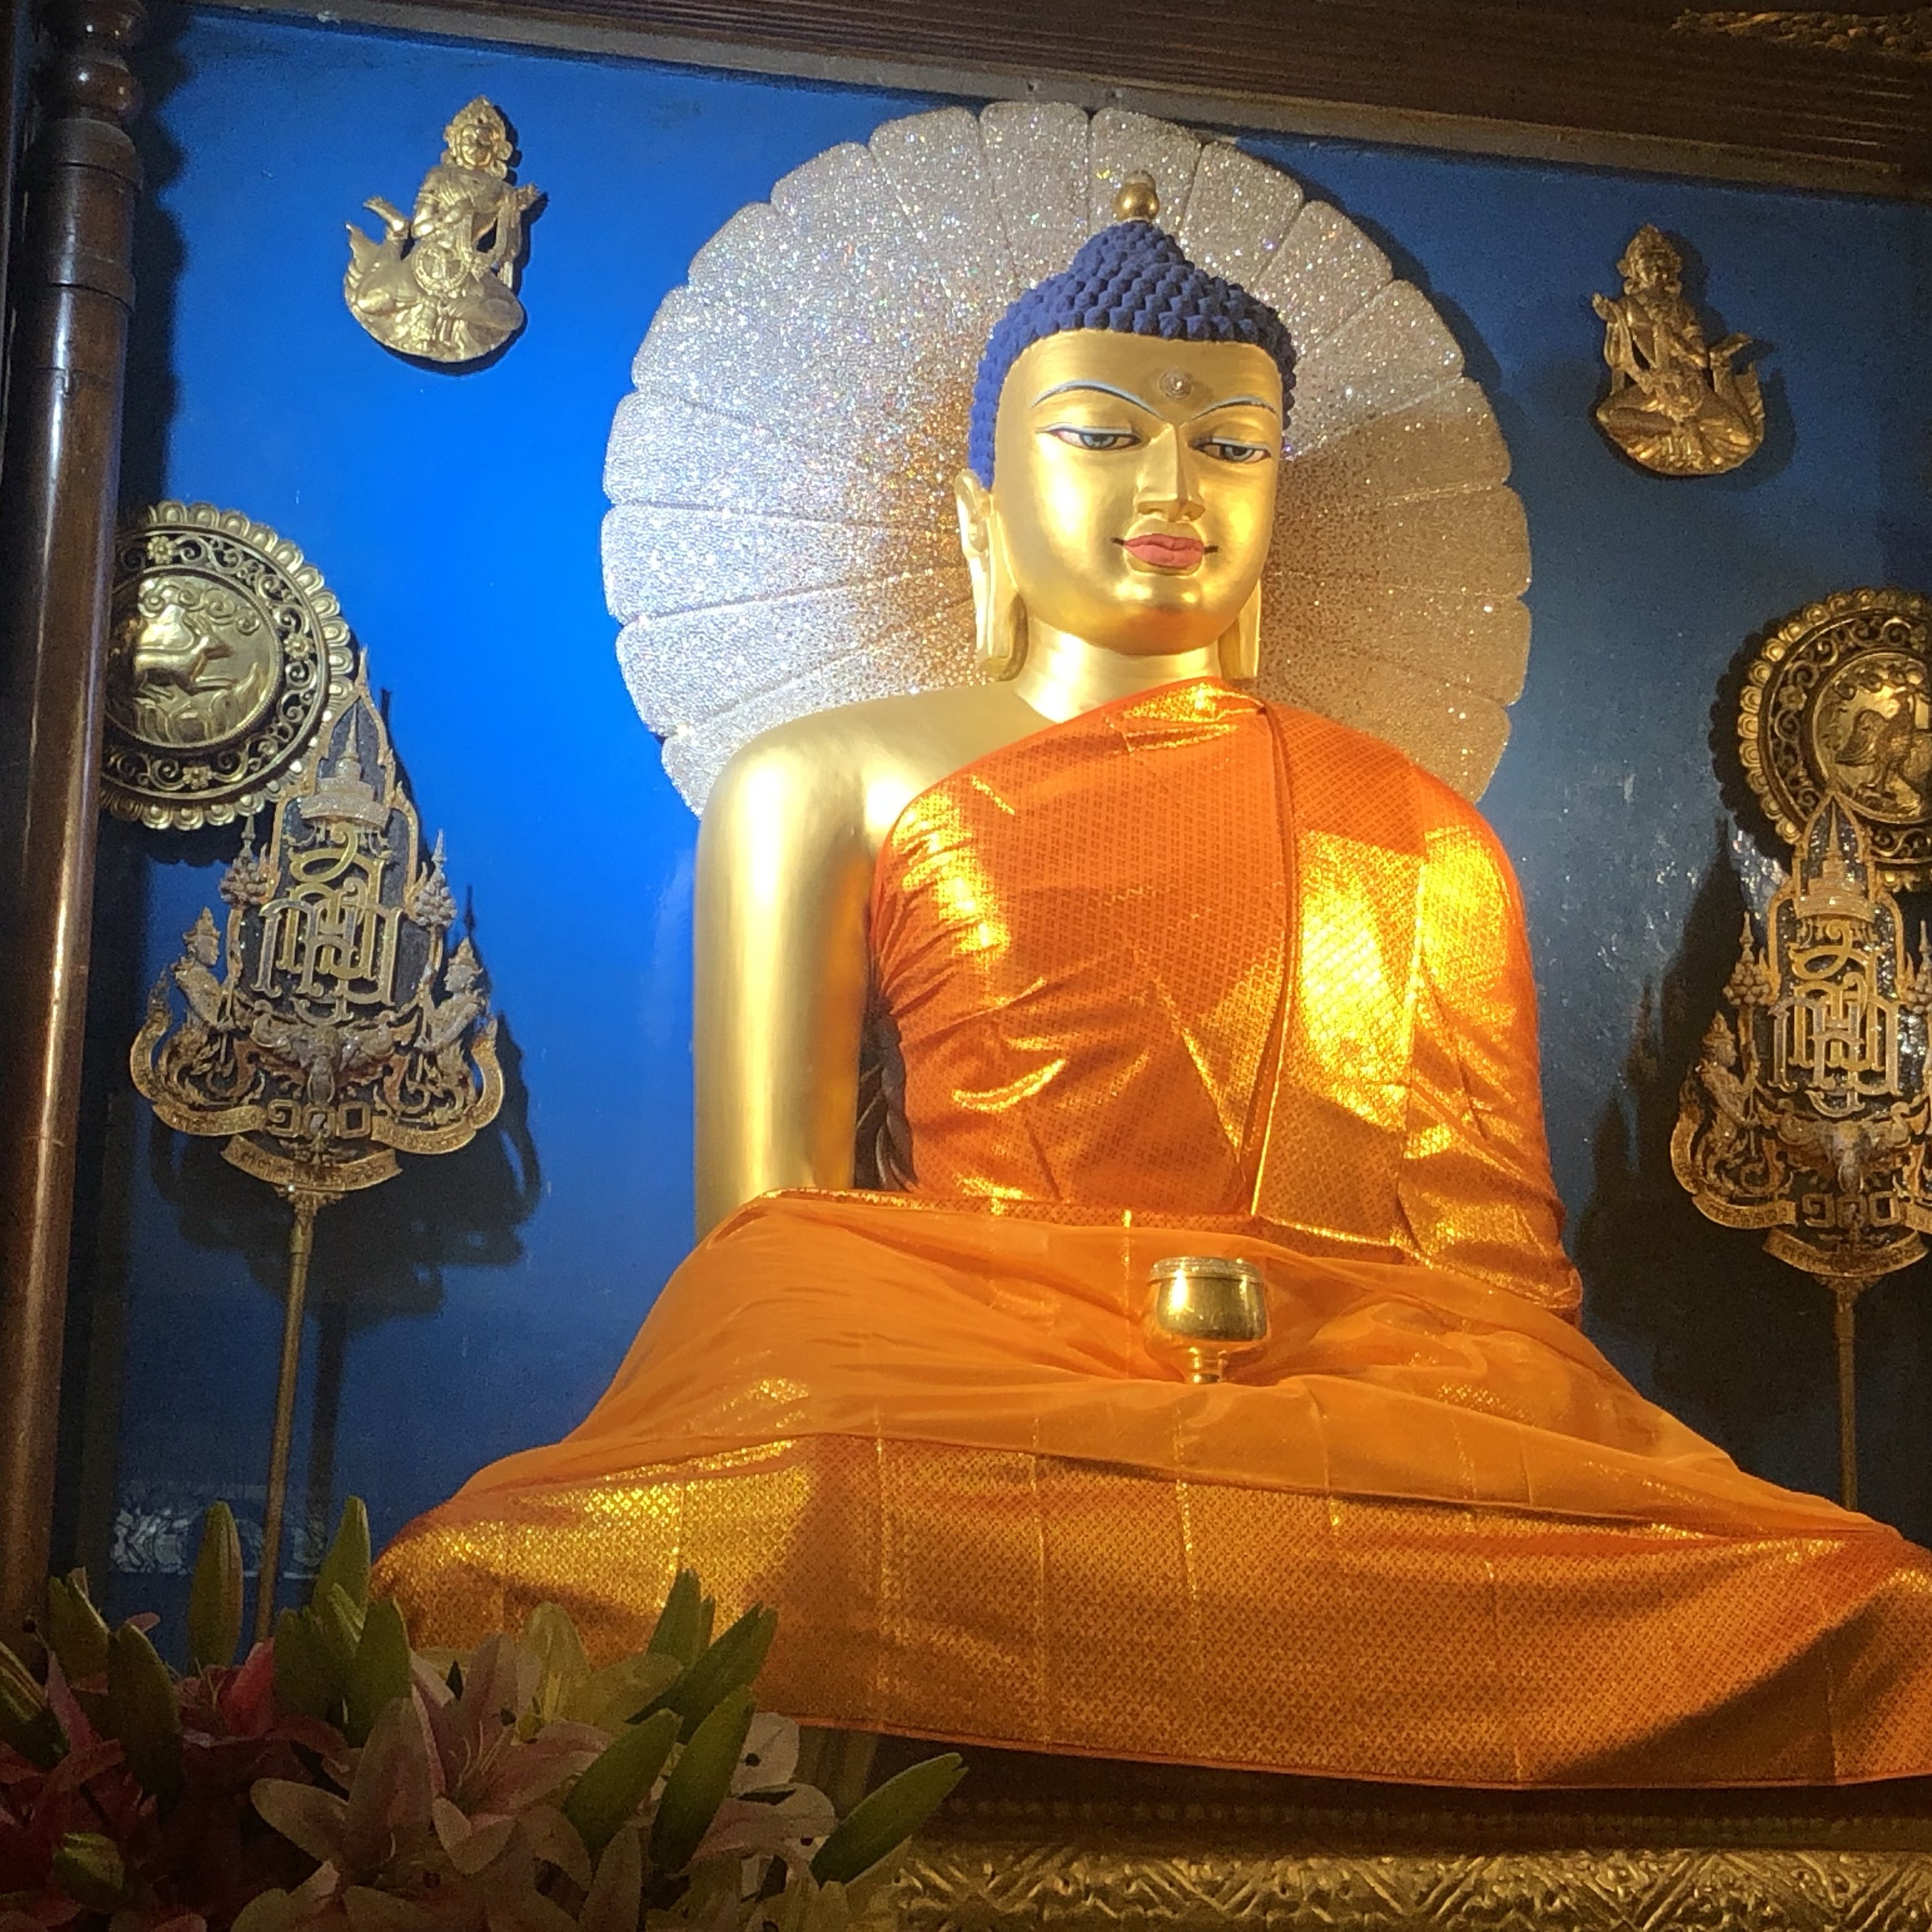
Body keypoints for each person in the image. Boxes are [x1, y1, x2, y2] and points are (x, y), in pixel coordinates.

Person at [378, 208, 1932, 1788]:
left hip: (1349, 1427)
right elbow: (772, 1244)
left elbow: (1491, 1286)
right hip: (962, 1413)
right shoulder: (819, 780)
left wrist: (1357, 1369)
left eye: (1235, 448)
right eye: (1103, 435)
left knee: (1862, 1608)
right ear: (980, 510)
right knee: (544, 1573)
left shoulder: (1418, 830)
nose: (1174, 490)